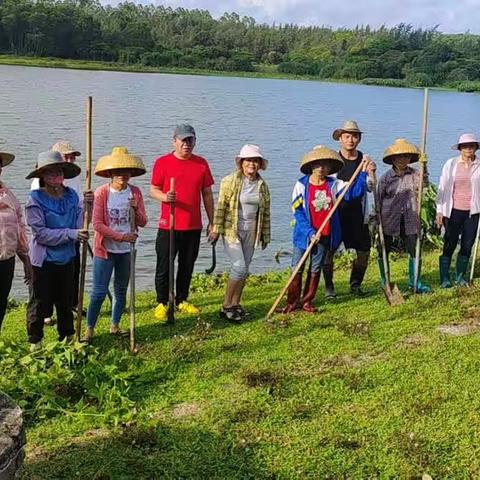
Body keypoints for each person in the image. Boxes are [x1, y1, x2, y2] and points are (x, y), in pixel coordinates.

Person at [282, 146, 368, 314]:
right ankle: (292, 302)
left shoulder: (334, 184)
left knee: (315, 268)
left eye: (325, 165)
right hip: (304, 235)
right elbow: (297, 211)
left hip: (325, 234)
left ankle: (307, 301)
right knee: (297, 267)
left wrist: (363, 172)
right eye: (317, 165)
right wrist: (310, 232)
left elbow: (354, 194)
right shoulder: (301, 185)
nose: (321, 169)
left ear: (329, 168)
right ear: (311, 166)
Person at [150, 124, 214, 321]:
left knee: (187, 265)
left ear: (194, 141)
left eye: (190, 140)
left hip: (192, 225)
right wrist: (164, 197)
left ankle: (181, 299)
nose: (186, 144)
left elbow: (207, 194)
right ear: (174, 141)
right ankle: (162, 301)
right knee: (164, 265)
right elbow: (153, 190)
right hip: (168, 225)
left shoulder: (201, 164)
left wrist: (213, 222)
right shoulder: (162, 162)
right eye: (183, 140)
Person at [25, 151, 88, 351]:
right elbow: (41, 234)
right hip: (43, 260)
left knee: (66, 298)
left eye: (59, 172)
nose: (56, 176)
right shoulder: (35, 199)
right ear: (42, 176)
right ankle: (36, 341)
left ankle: (67, 335)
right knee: (39, 301)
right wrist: (70, 234)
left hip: (67, 256)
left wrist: (88, 206)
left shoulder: (71, 195)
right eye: (50, 173)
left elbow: (79, 224)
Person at [84, 147, 147, 342]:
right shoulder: (102, 193)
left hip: (126, 251)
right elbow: (98, 225)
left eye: (126, 171)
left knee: (121, 290)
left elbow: (143, 222)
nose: (122, 175)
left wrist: (135, 210)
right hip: (106, 249)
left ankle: (115, 325)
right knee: (98, 292)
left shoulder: (135, 192)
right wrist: (121, 237)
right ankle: (89, 330)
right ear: (110, 173)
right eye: (118, 171)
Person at [211, 144, 271, 322]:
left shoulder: (262, 185)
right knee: (239, 267)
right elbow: (221, 207)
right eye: (248, 160)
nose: (252, 164)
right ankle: (226, 305)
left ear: (259, 164)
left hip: (252, 229)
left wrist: (265, 236)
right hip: (232, 229)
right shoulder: (229, 181)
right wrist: (216, 229)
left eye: (255, 160)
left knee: (244, 270)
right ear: (241, 162)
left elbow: (266, 212)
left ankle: (236, 303)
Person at [322, 121, 376, 297]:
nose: (350, 140)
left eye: (354, 136)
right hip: (336, 214)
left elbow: (371, 187)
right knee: (328, 251)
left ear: (359, 139)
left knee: (364, 251)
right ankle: (329, 287)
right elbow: (327, 185)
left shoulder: (364, 160)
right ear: (340, 139)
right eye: (346, 136)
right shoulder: (333, 161)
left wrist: (371, 173)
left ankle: (355, 284)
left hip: (358, 214)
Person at [377, 138, 431, 293]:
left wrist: (424, 165)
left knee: (415, 249)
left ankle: (415, 282)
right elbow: (379, 198)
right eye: (399, 156)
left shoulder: (414, 174)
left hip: (410, 218)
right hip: (389, 219)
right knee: (384, 250)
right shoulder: (386, 178)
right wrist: (377, 219)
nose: (402, 159)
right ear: (393, 159)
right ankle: (385, 281)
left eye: (406, 156)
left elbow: (424, 184)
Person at [436, 133, 480, 287]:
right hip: (453, 210)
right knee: (450, 242)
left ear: (476, 147)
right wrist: (440, 210)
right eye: (465, 146)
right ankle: (445, 278)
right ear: (460, 148)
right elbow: (442, 188)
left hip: (473, 212)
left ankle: (460, 277)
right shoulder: (451, 164)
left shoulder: (479, 165)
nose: (469, 148)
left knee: (468, 244)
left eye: (472, 145)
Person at [0, 149, 32, 331]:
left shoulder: (8, 194)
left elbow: (19, 227)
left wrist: (26, 260)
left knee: (1, 303)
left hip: (6, 260)